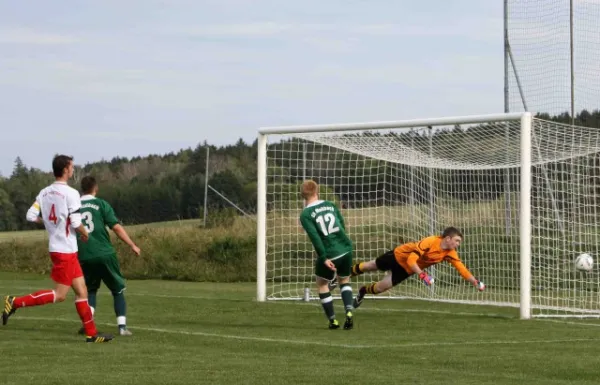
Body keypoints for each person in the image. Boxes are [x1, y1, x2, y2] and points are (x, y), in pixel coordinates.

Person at [2, 155, 113, 343]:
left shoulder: (44, 192)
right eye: (71, 167)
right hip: (65, 251)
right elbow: (77, 222)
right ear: (65, 170)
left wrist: (46, 222)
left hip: (58, 248)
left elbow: (30, 215)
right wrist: (84, 233)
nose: (73, 169)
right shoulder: (71, 194)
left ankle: (91, 333)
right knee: (60, 295)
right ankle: (14, 302)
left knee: (82, 292)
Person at [351, 227, 485, 308]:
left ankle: (362, 290)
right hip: (398, 256)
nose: (458, 244)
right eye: (457, 241)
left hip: (406, 270)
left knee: (381, 288)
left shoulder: (450, 253)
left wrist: (474, 281)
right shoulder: (430, 241)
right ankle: (346, 274)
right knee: (371, 266)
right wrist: (423, 275)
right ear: (448, 238)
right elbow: (411, 259)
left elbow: (462, 269)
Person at [76, 176, 141, 336]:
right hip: (105, 253)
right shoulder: (101, 204)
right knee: (117, 290)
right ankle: (122, 327)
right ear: (95, 188)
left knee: (90, 291)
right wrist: (132, 244)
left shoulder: (75, 206)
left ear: (81, 189)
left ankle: (88, 326)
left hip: (84, 255)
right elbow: (116, 228)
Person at [299, 180, 354, 330]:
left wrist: (323, 257)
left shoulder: (305, 214)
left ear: (303, 195)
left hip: (330, 252)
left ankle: (333, 320)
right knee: (344, 280)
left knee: (322, 284)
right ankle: (349, 311)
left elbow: (314, 237)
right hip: (346, 247)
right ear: (317, 191)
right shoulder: (330, 204)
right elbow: (341, 223)